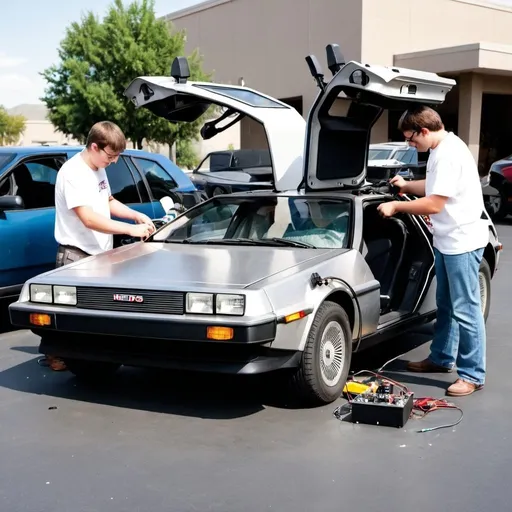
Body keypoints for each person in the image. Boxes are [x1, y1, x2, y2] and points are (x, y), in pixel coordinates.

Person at [377, 106, 488, 397]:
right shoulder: (441, 148)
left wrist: (396, 205)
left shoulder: (449, 154)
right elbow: (436, 186)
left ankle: (473, 374)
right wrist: (405, 186)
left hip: (461, 243)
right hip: (447, 240)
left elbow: (434, 204)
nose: (410, 144)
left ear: (424, 131)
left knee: (466, 310)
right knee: (447, 305)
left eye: (411, 139)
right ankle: (440, 358)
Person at [44, 121, 155, 371]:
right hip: (76, 256)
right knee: (68, 313)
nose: (114, 161)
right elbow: (89, 218)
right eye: (111, 155)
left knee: (95, 313)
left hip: (99, 255)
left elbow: (108, 201)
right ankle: (56, 355)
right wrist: (129, 229)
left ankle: (90, 357)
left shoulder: (98, 168)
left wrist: (135, 215)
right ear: (94, 146)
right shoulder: (73, 173)